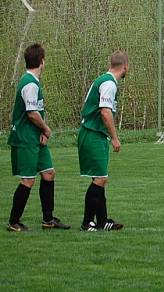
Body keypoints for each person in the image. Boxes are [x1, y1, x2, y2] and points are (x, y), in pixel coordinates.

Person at [6, 44, 70, 232]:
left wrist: (41, 131)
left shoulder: (32, 80)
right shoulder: (30, 84)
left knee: (49, 173)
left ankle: (48, 220)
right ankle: (13, 222)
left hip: (36, 136)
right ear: (42, 61)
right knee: (28, 180)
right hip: (26, 138)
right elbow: (32, 113)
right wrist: (46, 129)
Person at [78, 51, 128, 231]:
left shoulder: (104, 80)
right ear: (125, 67)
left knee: (100, 178)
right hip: (92, 133)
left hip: (94, 134)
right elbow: (105, 112)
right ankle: (86, 222)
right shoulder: (109, 83)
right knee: (100, 179)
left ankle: (103, 221)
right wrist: (115, 138)